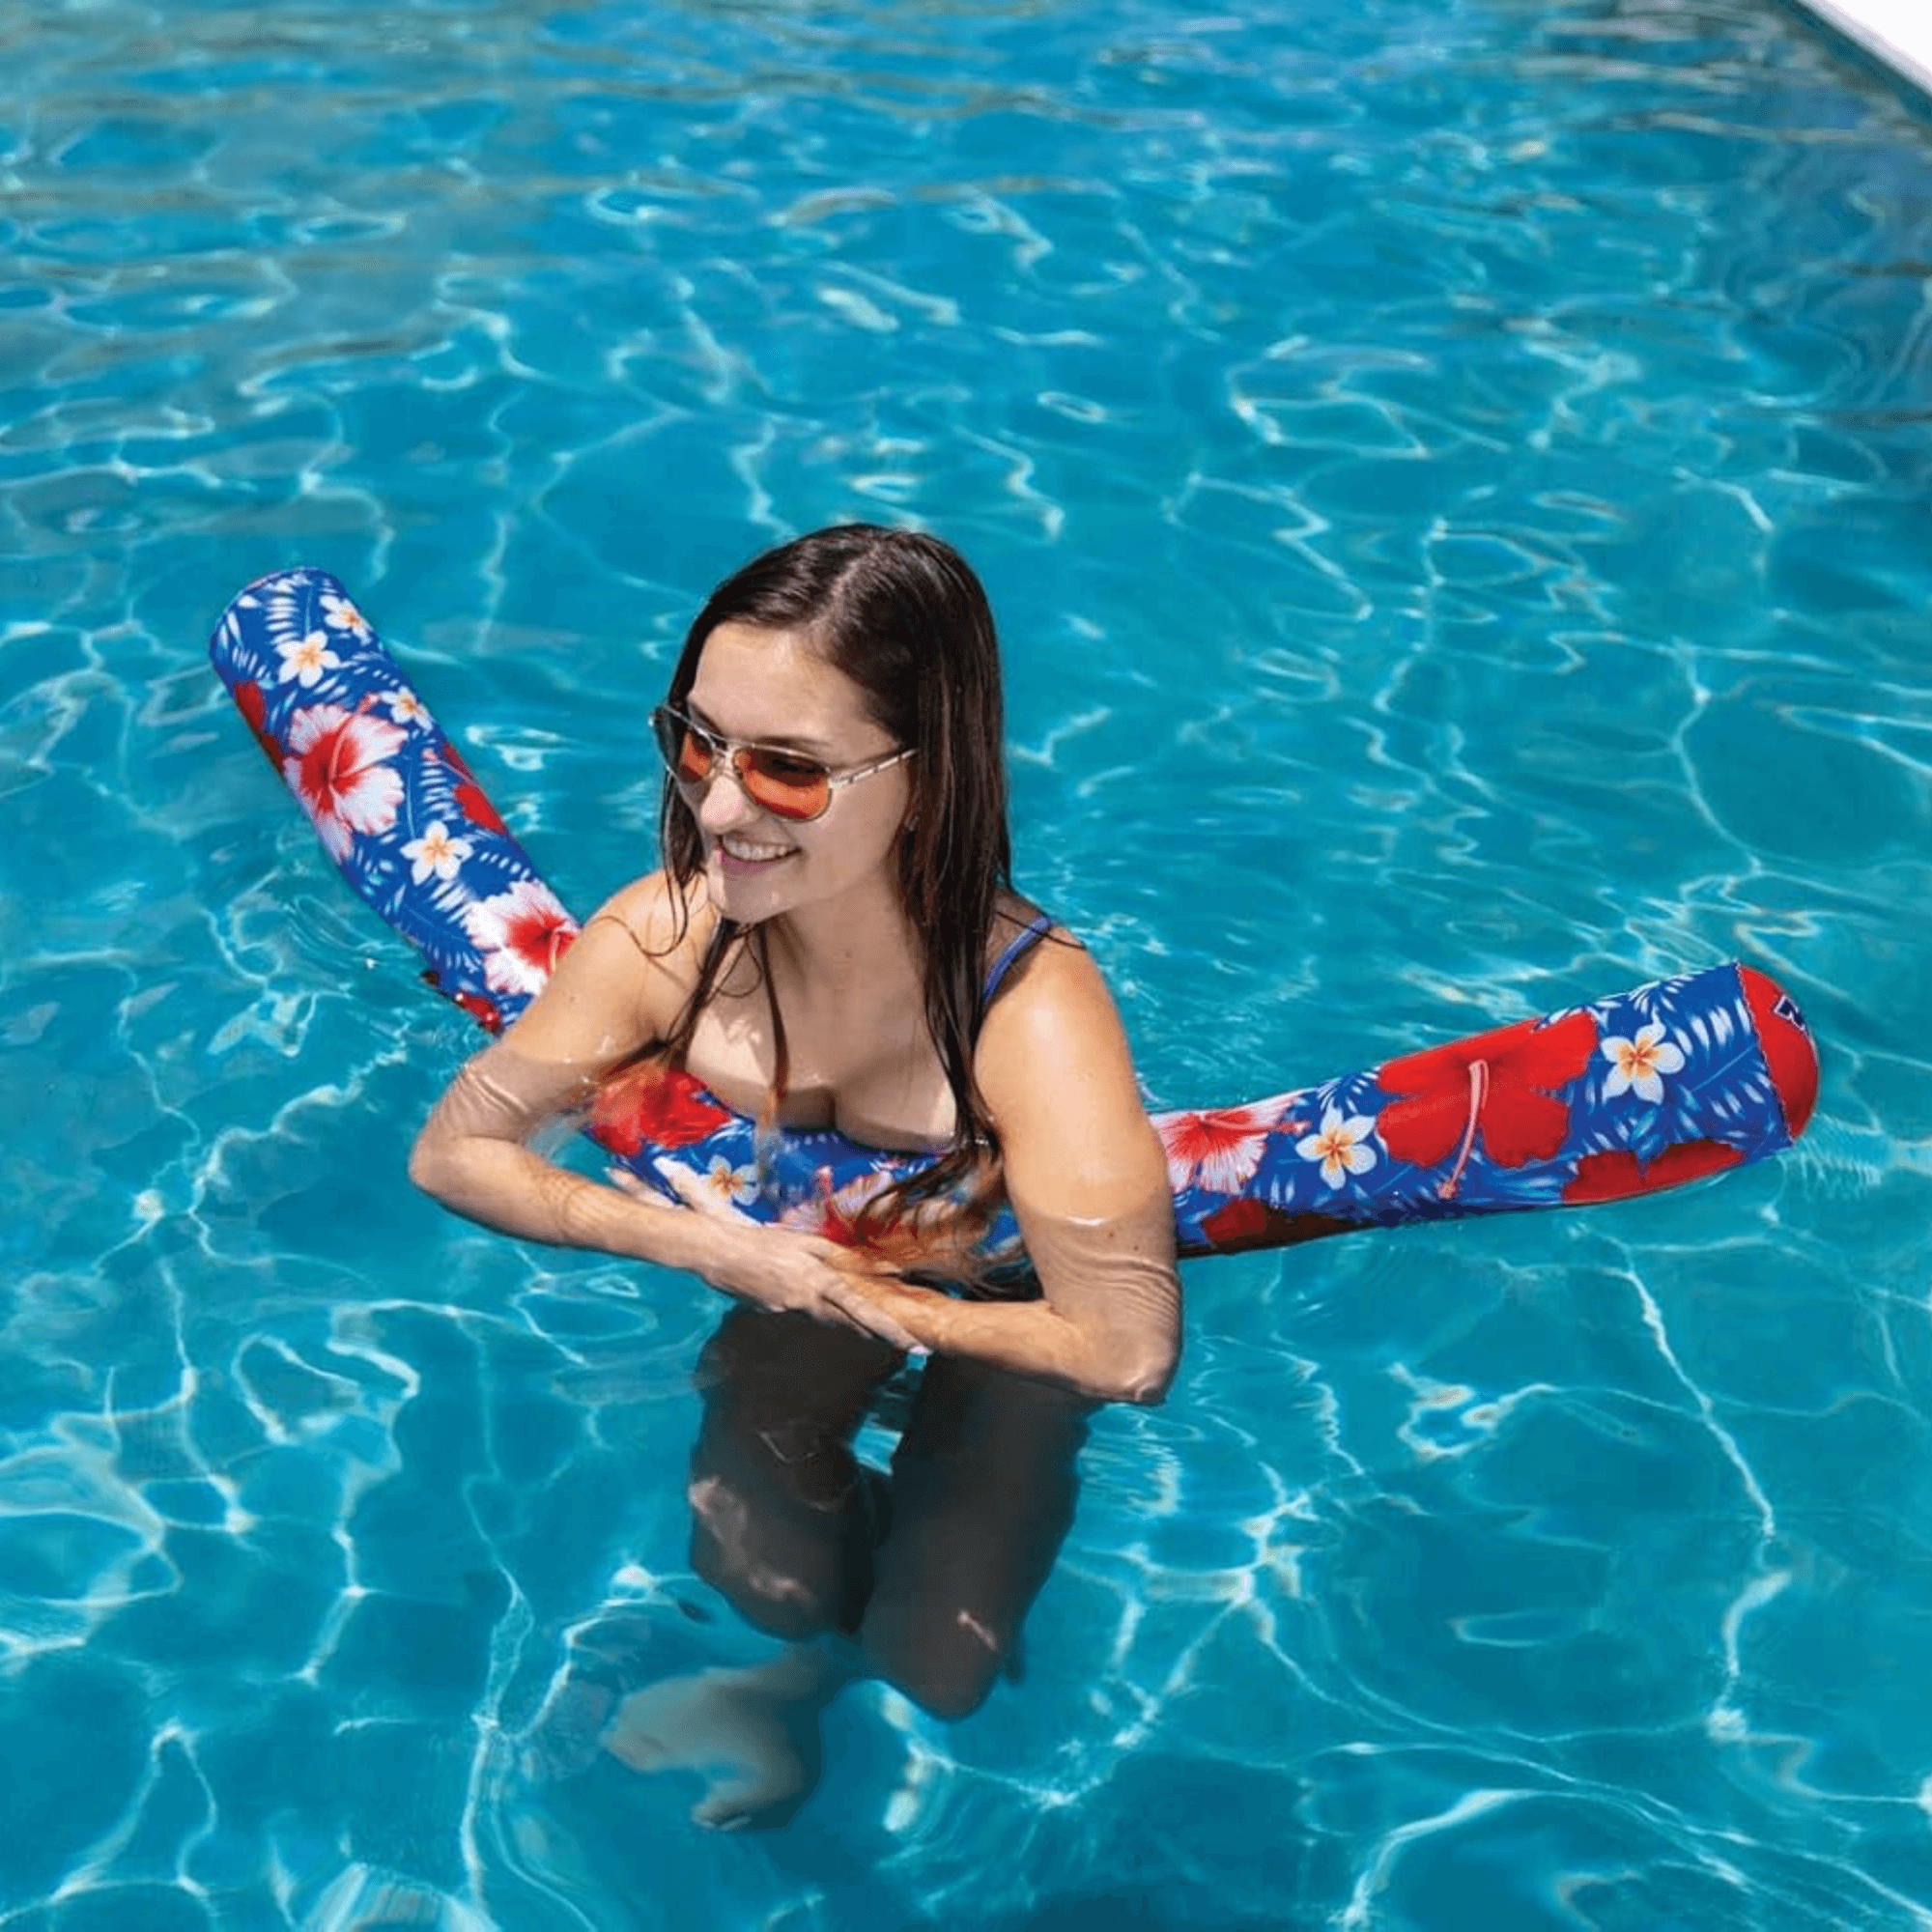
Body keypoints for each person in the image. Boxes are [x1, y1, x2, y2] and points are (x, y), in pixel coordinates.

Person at [408, 525, 1180, 1828]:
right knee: (751, 1567)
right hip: (786, 1264)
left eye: (789, 770)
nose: (719, 809)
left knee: (940, 1670)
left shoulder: (1030, 1013)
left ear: (926, 779)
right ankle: (792, 1670)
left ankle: (823, 1663)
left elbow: (1126, 1347)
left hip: (1007, 1303)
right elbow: (455, 1150)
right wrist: (717, 1251)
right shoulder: (666, 936)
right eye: (698, 744)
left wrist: (871, 1296)